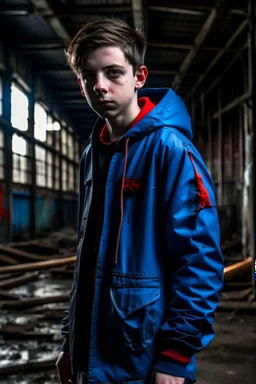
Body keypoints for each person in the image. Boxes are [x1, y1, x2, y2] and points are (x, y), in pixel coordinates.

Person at [56, 18, 224, 384]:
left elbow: (199, 260)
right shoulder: (92, 153)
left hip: (144, 358)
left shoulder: (171, 150)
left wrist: (175, 356)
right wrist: (71, 342)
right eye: (89, 76)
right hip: (92, 352)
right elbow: (88, 257)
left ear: (139, 76)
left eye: (113, 72)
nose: (100, 86)